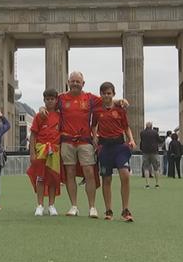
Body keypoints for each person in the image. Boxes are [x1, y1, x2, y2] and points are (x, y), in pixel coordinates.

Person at [49, 71, 126, 217]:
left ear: (83, 83)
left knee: (89, 172)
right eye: (73, 81)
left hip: (85, 140)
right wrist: (41, 109)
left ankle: (92, 207)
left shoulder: (90, 98)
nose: (75, 84)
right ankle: (74, 206)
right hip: (67, 141)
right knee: (70, 173)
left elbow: (107, 100)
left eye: (78, 81)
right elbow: (50, 105)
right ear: (68, 82)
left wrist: (120, 101)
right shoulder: (61, 98)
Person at [92, 82, 135, 221]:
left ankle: (125, 210)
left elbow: (126, 127)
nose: (106, 96)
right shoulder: (97, 111)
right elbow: (93, 126)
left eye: (109, 93)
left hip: (120, 146)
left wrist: (132, 140)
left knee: (125, 175)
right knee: (107, 178)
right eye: (104, 93)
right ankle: (108, 210)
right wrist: (95, 138)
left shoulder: (120, 109)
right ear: (101, 94)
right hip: (105, 148)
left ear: (113, 94)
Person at [27, 89, 62, 216]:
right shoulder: (39, 115)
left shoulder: (60, 116)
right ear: (44, 100)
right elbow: (33, 135)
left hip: (55, 150)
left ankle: (51, 205)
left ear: (56, 100)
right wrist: (32, 153)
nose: (50, 101)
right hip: (41, 150)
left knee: (53, 178)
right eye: (47, 99)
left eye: (52, 99)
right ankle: (40, 205)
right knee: (40, 178)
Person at [139, 122, 161, 189]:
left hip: (145, 152)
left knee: (146, 168)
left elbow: (142, 141)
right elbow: (159, 140)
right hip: (154, 152)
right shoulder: (155, 132)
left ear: (146, 126)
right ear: (151, 126)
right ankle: (157, 184)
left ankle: (147, 184)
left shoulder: (142, 133)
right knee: (156, 168)